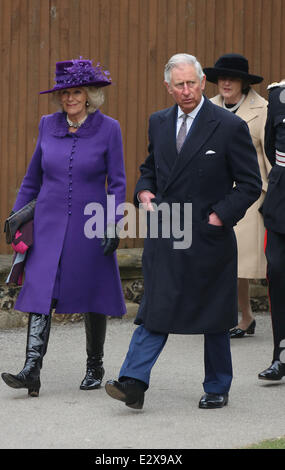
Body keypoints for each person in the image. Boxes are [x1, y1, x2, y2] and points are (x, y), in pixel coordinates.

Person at [105, 53, 262, 410]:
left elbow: (249, 185)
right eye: (180, 85)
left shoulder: (227, 125)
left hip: (208, 236)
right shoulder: (158, 122)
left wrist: (219, 217)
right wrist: (144, 190)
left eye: (192, 82)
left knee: (215, 316)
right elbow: (150, 167)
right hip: (166, 233)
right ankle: (133, 382)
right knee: (156, 308)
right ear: (168, 87)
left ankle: (217, 386)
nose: (187, 90)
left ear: (202, 81)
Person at [1, 58, 126, 397]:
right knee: (40, 290)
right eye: (65, 93)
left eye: (77, 92)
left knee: (93, 292)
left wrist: (112, 223)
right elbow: (32, 179)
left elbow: (116, 183)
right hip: (48, 222)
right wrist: (16, 218)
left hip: (89, 223)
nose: (70, 98)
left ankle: (95, 364)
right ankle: (31, 369)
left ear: (89, 95)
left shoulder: (109, 128)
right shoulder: (47, 125)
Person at [203, 53, 271, 338]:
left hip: (250, 195)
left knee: (240, 261)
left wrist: (276, 196)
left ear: (244, 82)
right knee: (224, 259)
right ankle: (242, 316)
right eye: (222, 77)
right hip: (216, 193)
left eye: (232, 78)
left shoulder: (264, 110)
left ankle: (241, 317)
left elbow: (270, 156)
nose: (226, 82)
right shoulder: (208, 108)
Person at [258, 79, 285, 380]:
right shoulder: (278, 96)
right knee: (277, 273)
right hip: (281, 197)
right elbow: (270, 144)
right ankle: (281, 355)